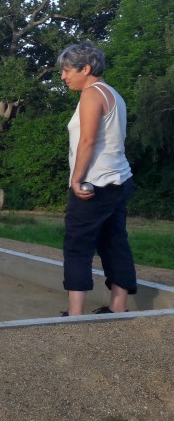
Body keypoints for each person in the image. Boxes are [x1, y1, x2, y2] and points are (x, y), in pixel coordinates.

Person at [59, 40, 136, 316]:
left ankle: (76, 315)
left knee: (77, 245)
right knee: (115, 241)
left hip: (95, 184)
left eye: (67, 70)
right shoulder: (113, 93)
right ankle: (118, 307)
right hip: (119, 179)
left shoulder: (91, 94)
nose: (63, 76)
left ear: (86, 68)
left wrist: (76, 180)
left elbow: (88, 141)